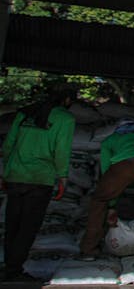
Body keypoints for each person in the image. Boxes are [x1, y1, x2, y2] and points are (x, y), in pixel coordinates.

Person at [1, 87, 75, 281]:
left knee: (12, 224)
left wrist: (5, 171)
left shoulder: (26, 113)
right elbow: (62, 150)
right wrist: (63, 177)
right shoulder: (65, 118)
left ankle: (9, 265)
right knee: (28, 226)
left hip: (15, 174)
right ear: (67, 100)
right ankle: (13, 270)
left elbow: (8, 144)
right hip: (40, 178)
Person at [78, 117, 134, 259]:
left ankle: (89, 248)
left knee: (99, 201)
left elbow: (105, 167)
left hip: (122, 166)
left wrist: (111, 204)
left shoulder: (111, 139)